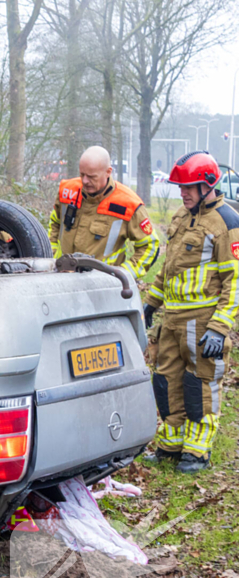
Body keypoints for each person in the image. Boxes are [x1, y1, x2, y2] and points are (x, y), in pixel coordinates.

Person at [143, 151, 239, 473]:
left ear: (208, 184)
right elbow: (167, 271)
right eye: (180, 187)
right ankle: (170, 446)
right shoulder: (181, 218)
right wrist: (151, 304)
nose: (182, 193)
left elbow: (235, 281)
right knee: (166, 382)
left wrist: (219, 327)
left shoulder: (227, 223)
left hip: (202, 323)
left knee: (200, 388)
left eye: (189, 187)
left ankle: (197, 452)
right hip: (171, 321)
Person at [48, 146, 161, 279]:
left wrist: (123, 275)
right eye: (82, 174)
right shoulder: (68, 191)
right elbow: (55, 223)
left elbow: (150, 246)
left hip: (102, 287)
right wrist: (53, 259)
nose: (84, 181)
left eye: (91, 177)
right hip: (62, 279)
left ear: (108, 172)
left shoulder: (127, 204)